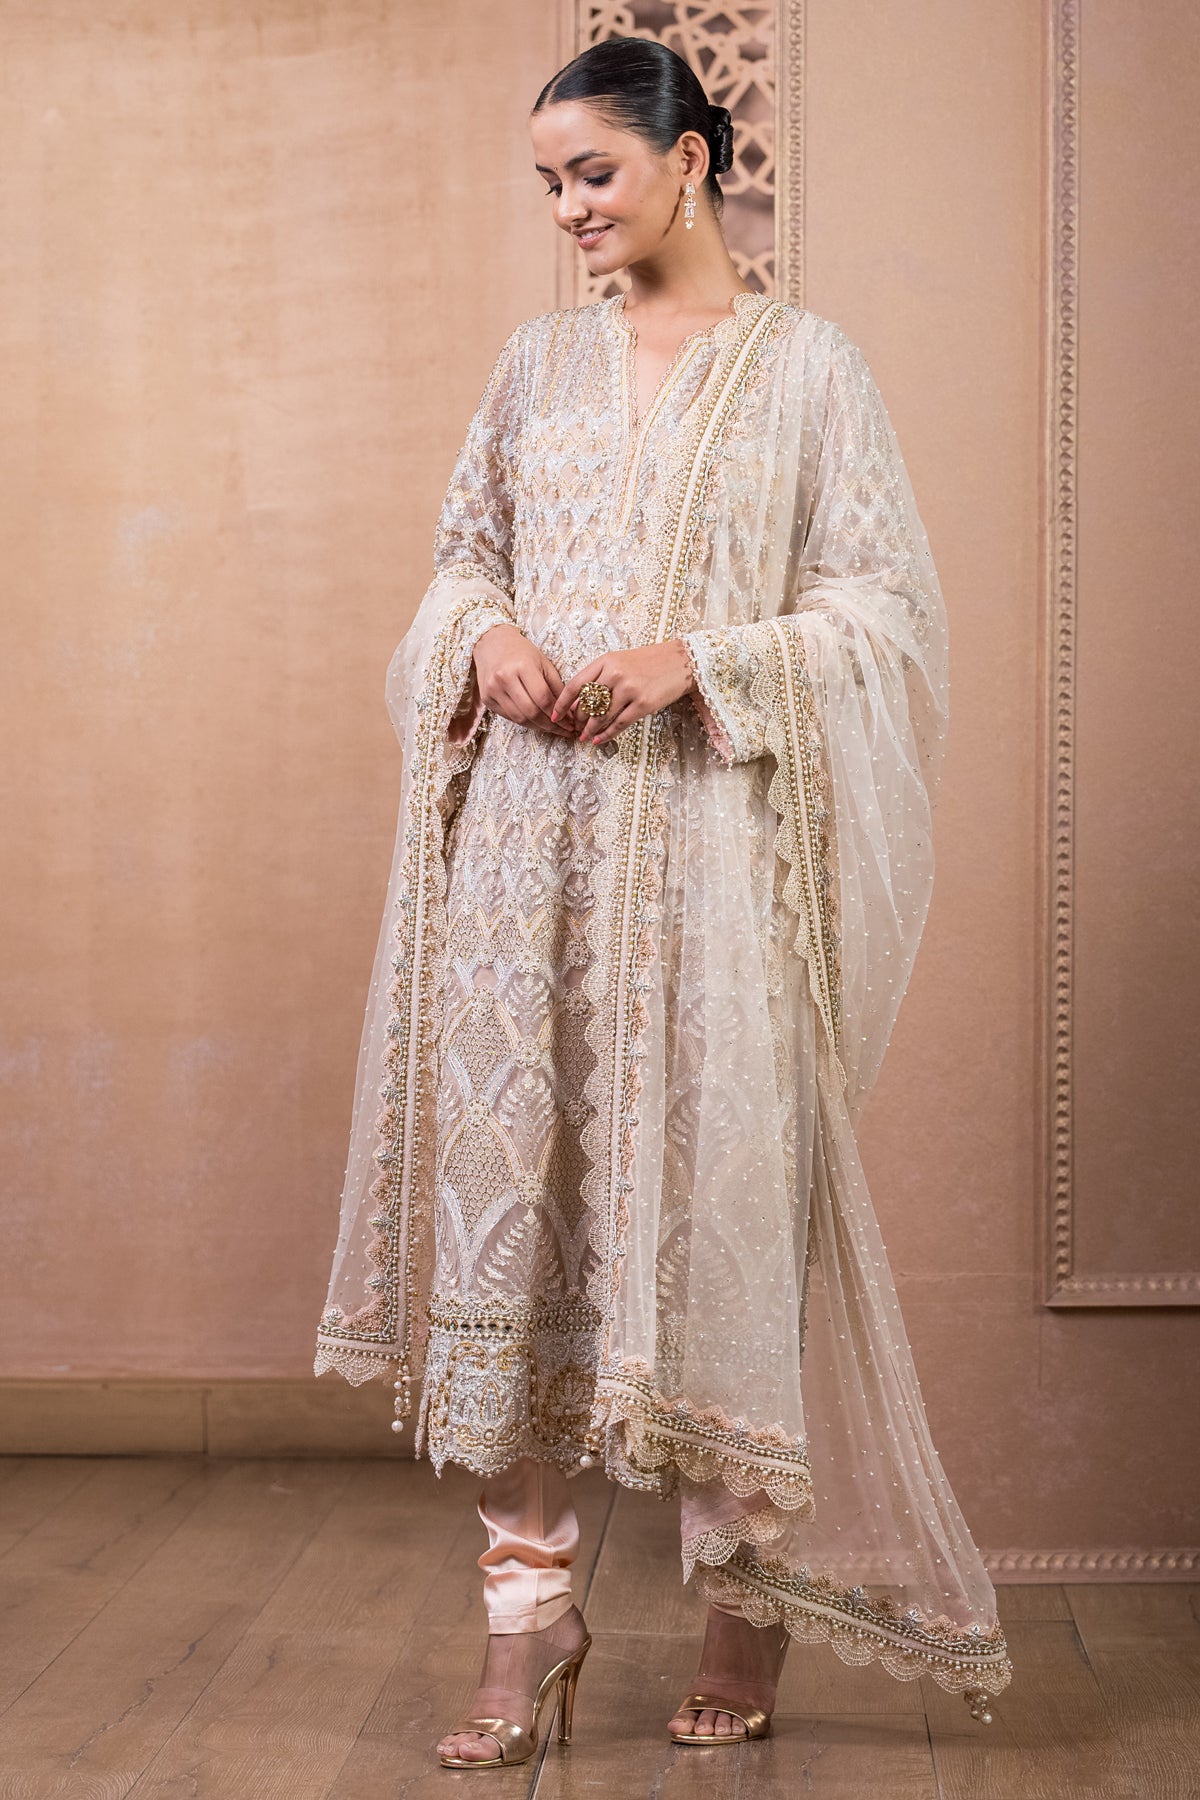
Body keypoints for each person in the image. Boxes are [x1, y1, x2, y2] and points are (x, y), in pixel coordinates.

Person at [315, 36, 1013, 1770]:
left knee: (721, 1223)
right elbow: (462, 557)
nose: (568, 208)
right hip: (526, 862)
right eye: (549, 183)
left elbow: (885, 614)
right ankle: (526, 1620)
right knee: (516, 1216)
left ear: (690, 157)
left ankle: (739, 1611)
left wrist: (699, 656)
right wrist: (484, 632)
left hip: (710, 864)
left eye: (595, 173)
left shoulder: (810, 372)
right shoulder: (533, 365)